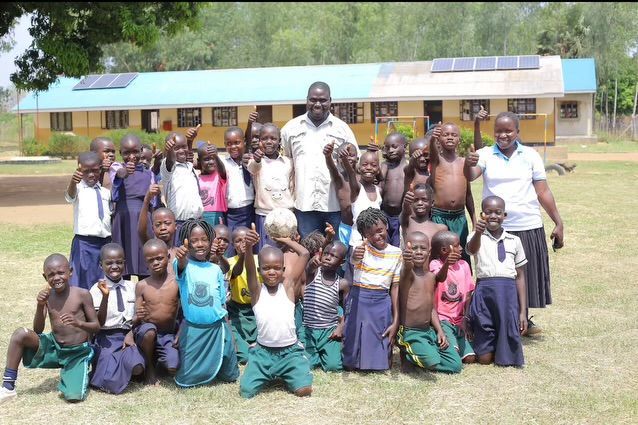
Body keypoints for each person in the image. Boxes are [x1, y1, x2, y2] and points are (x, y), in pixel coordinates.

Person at [465, 111, 564, 334]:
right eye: (499, 131)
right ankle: (495, 319)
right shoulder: (486, 154)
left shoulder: (530, 155)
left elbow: (543, 191)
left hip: (527, 223)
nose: (503, 135)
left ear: (517, 132)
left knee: (524, 275)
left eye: (508, 130)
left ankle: (523, 321)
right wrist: (468, 163)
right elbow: (471, 176)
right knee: (496, 274)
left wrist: (558, 222)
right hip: (495, 228)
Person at [1, 254, 99, 404]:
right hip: (54, 347)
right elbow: (38, 330)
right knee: (20, 334)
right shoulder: (48, 296)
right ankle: (8, 387)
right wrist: (40, 305)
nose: (57, 278)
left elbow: (96, 326)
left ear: (70, 271)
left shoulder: (82, 294)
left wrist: (78, 323)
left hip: (77, 353)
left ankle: (74, 373)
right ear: (45, 277)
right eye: (51, 275)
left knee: (74, 396)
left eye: (61, 273)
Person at [239, 225, 312, 398]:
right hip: (263, 353)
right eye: (266, 268)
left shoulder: (288, 288)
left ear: (283, 270)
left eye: (277, 268)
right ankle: (267, 370)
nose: (272, 272)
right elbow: (249, 267)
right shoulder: (257, 290)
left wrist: (285, 240)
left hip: (290, 352)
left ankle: (289, 370)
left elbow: (305, 254)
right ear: (259, 271)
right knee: (246, 392)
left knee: (303, 391)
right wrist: (249, 247)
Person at [281, 81, 359, 238]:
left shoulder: (342, 129)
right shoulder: (291, 129)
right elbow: (284, 164)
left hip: (335, 207)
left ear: (330, 100)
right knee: (309, 255)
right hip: (304, 207)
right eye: (313, 100)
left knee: (336, 255)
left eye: (323, 100)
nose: (317, 104)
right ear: (306, 100)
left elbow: (354, 161)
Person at [173, 219, 239, 388]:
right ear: (186, 243)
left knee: (230, 375)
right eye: (194, 241)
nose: (200, 244)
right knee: (187, 379)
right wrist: (181, 257)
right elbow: (180, 265)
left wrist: (229, 332)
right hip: (195, 330)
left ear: (211, 241)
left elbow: (222, 304)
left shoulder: (215, 269)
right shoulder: (183, 266)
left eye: (204, 239)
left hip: (218, 327)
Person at [466, 196, 528, 367]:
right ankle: (483, 348)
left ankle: (505, 353)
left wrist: (523, 311)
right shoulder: (474, 236)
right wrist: (478, 232)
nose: (493, 216)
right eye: (488, 212)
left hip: (507, 292)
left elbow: (521, 276)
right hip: (485, 290)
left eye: (497, 212)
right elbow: (471, 250)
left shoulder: (514, 241)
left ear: (504, 215)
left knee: (507, 332)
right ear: (482, 214)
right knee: (484, 359)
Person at [343, 208, 402, 371]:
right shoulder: (360, 249)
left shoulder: (396, 253)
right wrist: (355, 256)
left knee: (380, 364)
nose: (377, 236)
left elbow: (395, 287)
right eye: (370, 234)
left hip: (382, 302)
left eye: (380, 230)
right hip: (359, 300)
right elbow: (354, 260)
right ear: (364, 236)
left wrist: (396, 319)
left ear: (387, 226)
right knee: (351, 361)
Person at [395, 232, 462, 373]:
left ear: (429, 251)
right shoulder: (407, 275)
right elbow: (406, 269)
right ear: (406, 251)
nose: (418, 252)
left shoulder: (431, 277)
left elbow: (431, 308)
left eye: (423, 248)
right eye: (414, 248)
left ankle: (423, 354)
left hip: (428, 331)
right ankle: (409, 354)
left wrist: (439, 330)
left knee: (455, 365)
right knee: (430, 360)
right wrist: (407, 262)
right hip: (410, 332)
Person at [89, 243, 145, 394]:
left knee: (138, 367)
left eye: (119, 262)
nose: (115, 266)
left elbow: (138, 314)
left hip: (128, 335)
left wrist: (132, 330)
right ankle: (114, 372)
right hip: (107, 337)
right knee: (109, 383)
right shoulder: (96, 289)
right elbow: (98, 322)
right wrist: (105, 297)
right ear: (101, 265)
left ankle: (124, 368)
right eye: (109, 263)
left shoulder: (132, 286)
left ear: (124, 264)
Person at [428, 123, 476, 267]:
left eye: (454, 135)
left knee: (461, 254)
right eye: (445, 134)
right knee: (439, 256)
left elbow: (468, 194)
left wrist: (473, 219)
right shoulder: (436, 161)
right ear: (439, 139)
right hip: (439, 216)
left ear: (459, 140)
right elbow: (432, 152)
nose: (450, 137)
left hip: (459, 218)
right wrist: (432, 140)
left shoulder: (463, 162)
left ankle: (463, 285)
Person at [133, 239, 180, 385]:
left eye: (159, 258)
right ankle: (150, 367)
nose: (156, 263)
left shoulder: (177, 282)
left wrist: (179, 334)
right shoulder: (142, 285)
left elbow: (185, 313)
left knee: (173, 367)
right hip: (147, 333)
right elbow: (135, 317)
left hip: (168, 334)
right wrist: (138, 316)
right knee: (149, 331)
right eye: (151, 260)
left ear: (168, 257)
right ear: (146, 263)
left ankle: (160, 357)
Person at [110, 134, 156, 280]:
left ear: (141, 151)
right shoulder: (117, 170)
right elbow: (119, 175)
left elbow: (153, 202)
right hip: (122, 220)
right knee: (123, 263)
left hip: (143, 220)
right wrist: (124, 172)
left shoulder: (149, 174)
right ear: (120, 153)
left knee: (145, 262)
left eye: (135, 152)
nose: (131, 157)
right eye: (126, 153)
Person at [66, 151, 113, 290]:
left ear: (100, 168)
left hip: (104, 242)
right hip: (84, 244)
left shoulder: (105, 191)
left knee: (102, 278)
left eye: (95, 170)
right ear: (80, 170)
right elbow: (70, 196)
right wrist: (73, 181)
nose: (91, 175)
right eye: (86, 171)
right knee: (83, 280)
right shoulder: (78, 189)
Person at [429, 231, 476, 364]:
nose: (461, 248)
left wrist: (466, 319)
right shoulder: (435, 264)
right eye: (456, 245)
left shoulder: (464, 265)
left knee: (470, 358)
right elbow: (438, 277)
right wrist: (447, 264)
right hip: (443, 319)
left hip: (460, 320)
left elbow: (468, 294)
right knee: (453, 354)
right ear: (445, 250)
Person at [246, 123, 295, 251]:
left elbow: (292, 187)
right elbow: (252, 169)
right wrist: (257, 160)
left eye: (273, 138)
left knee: (286, 253)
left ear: (279, 141)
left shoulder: (288, 162)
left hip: (287, 216)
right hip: (265, 215)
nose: (269, 142)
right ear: (259, 141)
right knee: (266, 252)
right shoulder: (256, 161)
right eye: (264, 138)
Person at [302, 241, 349, 372]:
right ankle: (314, 354)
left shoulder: (342, 284)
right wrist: (312, 262)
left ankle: (326, 351)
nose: (328, 257)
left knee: (333, 367)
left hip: (329, 332)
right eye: (326, 254)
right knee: (307, 365)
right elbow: (309, 268)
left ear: (342, 262)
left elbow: (348, 309)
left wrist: (340, 328)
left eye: (333, 256)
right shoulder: (313, 274)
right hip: (308, 330)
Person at [161, 132, 204, 245]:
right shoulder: (168, 169)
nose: (181, 151)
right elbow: (169, 161)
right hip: (180, 224)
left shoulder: (190, 167)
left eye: (183, 147)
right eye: (176, 148)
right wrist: (169, 151)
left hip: (197, 222)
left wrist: (190, 140)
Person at [226, 226, 261, 364]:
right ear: (233, 244)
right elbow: (235, 272)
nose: (242, 243)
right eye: (238, 241)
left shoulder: (260, 260)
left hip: (256, 311)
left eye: (246, 240)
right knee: (244, 357)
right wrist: (242, 256)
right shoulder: (229, 262)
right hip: (237, 312)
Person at [223, 126, 255, 255]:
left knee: (251, 247)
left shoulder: (252, 161)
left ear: (244, 143)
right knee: (232, 249)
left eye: (237, 142)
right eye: (229, 144)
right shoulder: (223, 163)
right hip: (231, 214)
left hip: (249, 212)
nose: (233, 147)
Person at [323, 141, 358, 246]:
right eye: (342, 156)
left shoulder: (363, 178)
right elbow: (331, 168)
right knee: (343, 256)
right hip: (345, 228)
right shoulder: (339, 179)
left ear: (358, 158)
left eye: (351, 155)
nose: (347, 158)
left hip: (361, 228)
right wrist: (328, 156)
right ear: (337, 160)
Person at [377, 132, 409, 247]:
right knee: (384, 246)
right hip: (384, 215)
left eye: (394, 146)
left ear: (405, 146)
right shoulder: (385, 166)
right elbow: (379, 185)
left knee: (398, 246)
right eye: (387, 147)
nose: (390, 150)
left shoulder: (409, 168)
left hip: (401, 216)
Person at [400, 183, 447, 249]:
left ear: (432, 203)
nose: (420, 203)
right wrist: (406, 203)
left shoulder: (440, 228)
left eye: (424, 200)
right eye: (416, 200)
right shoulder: (407, 222)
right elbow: (405, 213)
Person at [196, 142, 227, 228]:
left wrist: (216, 156)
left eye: (213, 158)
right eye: (206, 159)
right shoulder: (197, 178)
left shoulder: (219, 175)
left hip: (217, 215)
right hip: (201, 216)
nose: (211, 162)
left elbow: (223, 170)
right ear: (199, 161)